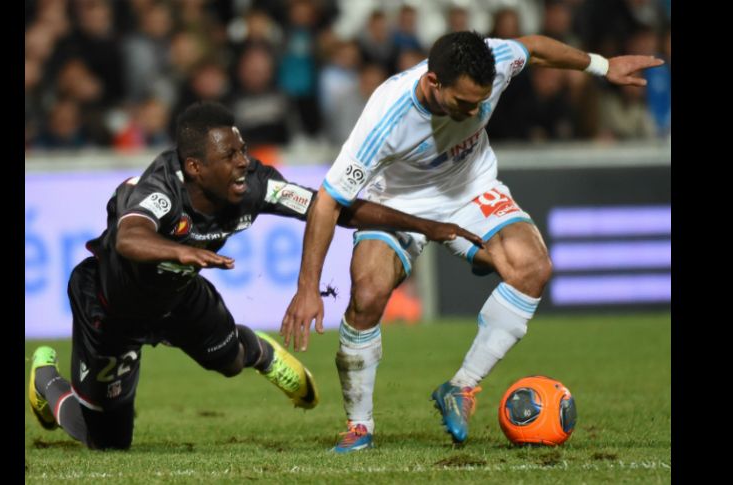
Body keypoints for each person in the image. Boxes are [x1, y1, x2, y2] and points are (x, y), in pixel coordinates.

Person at [281, 31, 663, 452]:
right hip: (398, 200)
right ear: (433, 83)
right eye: (463, 103)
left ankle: (461, 387)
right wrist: (307, 288)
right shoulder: (385, 118)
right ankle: (359, 426)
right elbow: (326, 201)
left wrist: (602, 65)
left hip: (470, 189)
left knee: (533, 268)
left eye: (481, 102)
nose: (474, 111)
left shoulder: (495, 61)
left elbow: (533, 47)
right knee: (368, 293)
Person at [27, 101, 482, 450]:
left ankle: (262, 353)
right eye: (231, 154)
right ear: (195, 168)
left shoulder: (253, 185)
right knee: (108, 443)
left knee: (228, 363)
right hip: (110, 307)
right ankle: (46, 381)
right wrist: (181, 251)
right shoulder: (159, 191)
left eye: (243, 148)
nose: (244, 161)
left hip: (179, 297)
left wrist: (422, 224)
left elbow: (330, 208)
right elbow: (129, 239)